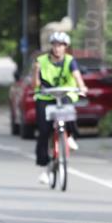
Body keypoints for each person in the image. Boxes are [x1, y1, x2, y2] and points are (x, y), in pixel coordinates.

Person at [33, 31, 87, 184]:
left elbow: (77, 77)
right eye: (55, 45)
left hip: (65, 94)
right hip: (46, 96)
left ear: (65, 47)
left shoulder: (70, 61)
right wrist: (35, 72)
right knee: (44, 131)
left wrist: (82, 87)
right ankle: (45, 166)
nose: (58, 49)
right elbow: (35, 85)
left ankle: (69, 136)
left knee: (68, 109)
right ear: (51, 47)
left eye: (61, 46)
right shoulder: (41, 61)